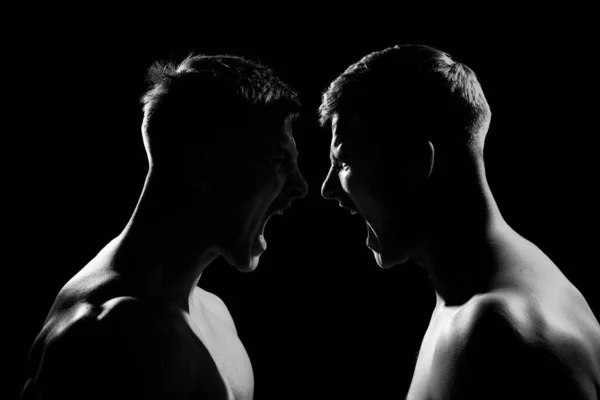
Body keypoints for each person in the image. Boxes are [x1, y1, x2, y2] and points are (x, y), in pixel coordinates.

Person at [320, 44, 600, 399]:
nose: (328, 190)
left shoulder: (494, 333)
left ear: (416, 164)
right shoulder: (491, 290)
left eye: (344, 161)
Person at [21, 53, 308, 400]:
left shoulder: (207, 310)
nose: (300, 186)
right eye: (279, 162)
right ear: (202, 166)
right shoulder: (123, 336)